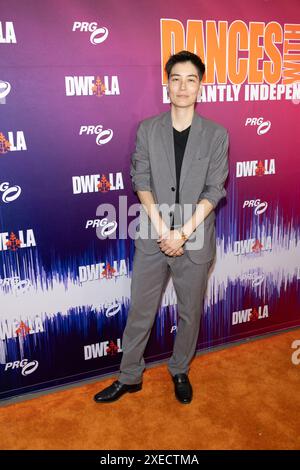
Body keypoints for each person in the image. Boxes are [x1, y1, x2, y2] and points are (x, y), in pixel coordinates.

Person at [94, 50, 229, 404]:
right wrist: (162, 230)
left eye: (191, 79)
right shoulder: (147, 131)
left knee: (189, 313)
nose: (183, 87)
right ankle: (130, 376)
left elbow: (215, 189)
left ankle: (180, 369)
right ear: (166, 84)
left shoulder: (217, 135)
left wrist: (182, 233)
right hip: (153, 236)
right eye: (176, 79)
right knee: (141, 308)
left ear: (201, 86)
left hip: (195, 239)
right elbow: (141, 179)